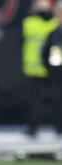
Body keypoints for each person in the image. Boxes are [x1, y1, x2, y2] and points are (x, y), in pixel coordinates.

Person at [22, 0, 59, 137]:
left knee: (53, 100)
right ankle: (39, 128)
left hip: (44, 68)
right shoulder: (52, 23)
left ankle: (55, 127)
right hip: (45, 68)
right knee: (42, 101)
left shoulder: (30, 22)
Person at [42, 0, 62, 136]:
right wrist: (49, 69)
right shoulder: (53, 32)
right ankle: (58, 127)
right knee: (57, 100)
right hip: (57, 73)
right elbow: (45, 52)